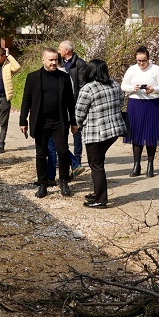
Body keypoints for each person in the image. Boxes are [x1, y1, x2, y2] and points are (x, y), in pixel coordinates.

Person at [19, 47, 78, 198]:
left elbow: (71, 102)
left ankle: (64, 181)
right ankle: (43, 184)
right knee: (41, 154)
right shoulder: (33, 77)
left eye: (55, 60)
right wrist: (23, 120)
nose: (53, 63)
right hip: (40, 121)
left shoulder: (63, 78)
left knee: (63, 151)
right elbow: (26, 100)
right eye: (50, 60)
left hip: (59, 121)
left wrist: (73, 122)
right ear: (43, 60)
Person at [74, 59, 127, 208]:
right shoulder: (114, 84)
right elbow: (121, 103)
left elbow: (79, 112)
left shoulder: (88, 88)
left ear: (90, 71)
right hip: (114, 131)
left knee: (96, 165)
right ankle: (98, 192)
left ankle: (100, 200)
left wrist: (78, 126)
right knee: (98, 162)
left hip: (96, 133)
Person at [121, 46, 159, 177]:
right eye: (139, 61)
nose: (141, 63)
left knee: (150, 135)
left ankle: (150, 165)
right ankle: (136, 165)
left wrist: (153, 89)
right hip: (135, 103)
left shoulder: (156, 69)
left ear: (148, 59)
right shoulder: (132, 69)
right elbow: (123, 86)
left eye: (144, 61)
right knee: (136, 134)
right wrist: (133, 88)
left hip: (152, 103)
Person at [58, 40, 88, 177]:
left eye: (60, 48)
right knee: (62, 133)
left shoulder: (80, 64)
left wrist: (79, 104)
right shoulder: (60, 63)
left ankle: (77, 159)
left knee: (76, 132)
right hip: (62, 104)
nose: (58, 51)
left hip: (75, 103)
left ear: (67, 51)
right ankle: (65, 158)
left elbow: (82, 85)